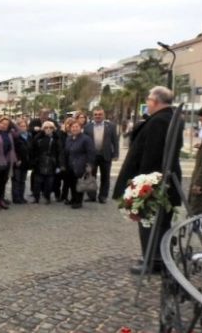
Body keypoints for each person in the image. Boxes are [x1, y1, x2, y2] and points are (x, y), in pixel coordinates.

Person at [113, 86, 182, 275]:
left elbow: (152, 156)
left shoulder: (160, 121)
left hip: (152, 184)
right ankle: (154, 258)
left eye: (149, 99)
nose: (147, 102)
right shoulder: (170, 118)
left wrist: (142, 185)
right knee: (156, 223)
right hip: (159, 182)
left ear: (155, 101)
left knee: (151, 224)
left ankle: (154, 261)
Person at [83, 107, 119, 203]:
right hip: (92, 156)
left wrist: (116, 154)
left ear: (103, 115)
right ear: (93, 115)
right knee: (91, 176)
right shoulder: (87, 127)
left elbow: (115, 141)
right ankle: (91, 195)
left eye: (100, 114)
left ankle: (103, 196)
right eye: (96, 114)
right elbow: (84, 142)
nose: (98, 116)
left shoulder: (111, 126)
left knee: (105, 177)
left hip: (106, 155)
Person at [30, 121, 64, 204]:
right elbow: (33, 149)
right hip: (39, 162)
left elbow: (60, 151)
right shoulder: (38, 137)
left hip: (52, 162)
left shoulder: (56, 138)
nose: (48, 129)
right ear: (43, 128)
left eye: (51, 127)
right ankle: (36, 197)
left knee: (49, 182)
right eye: (46, 127)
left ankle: (47, 197)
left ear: (54, 129)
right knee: (37, 181)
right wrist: (33, 161)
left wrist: (60, 164)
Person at [64, 121, 96, 209]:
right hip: (70, 165)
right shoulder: (68, 138)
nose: (75, 128)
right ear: (70, 129)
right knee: (71, 184)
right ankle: (73, 198)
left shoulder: (86, 139)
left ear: (80, 128)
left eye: (76, 126)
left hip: (80, 165)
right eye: (73, 127)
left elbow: (91, 152)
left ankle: (78, 201)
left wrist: (89, 165)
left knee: (79, 184)